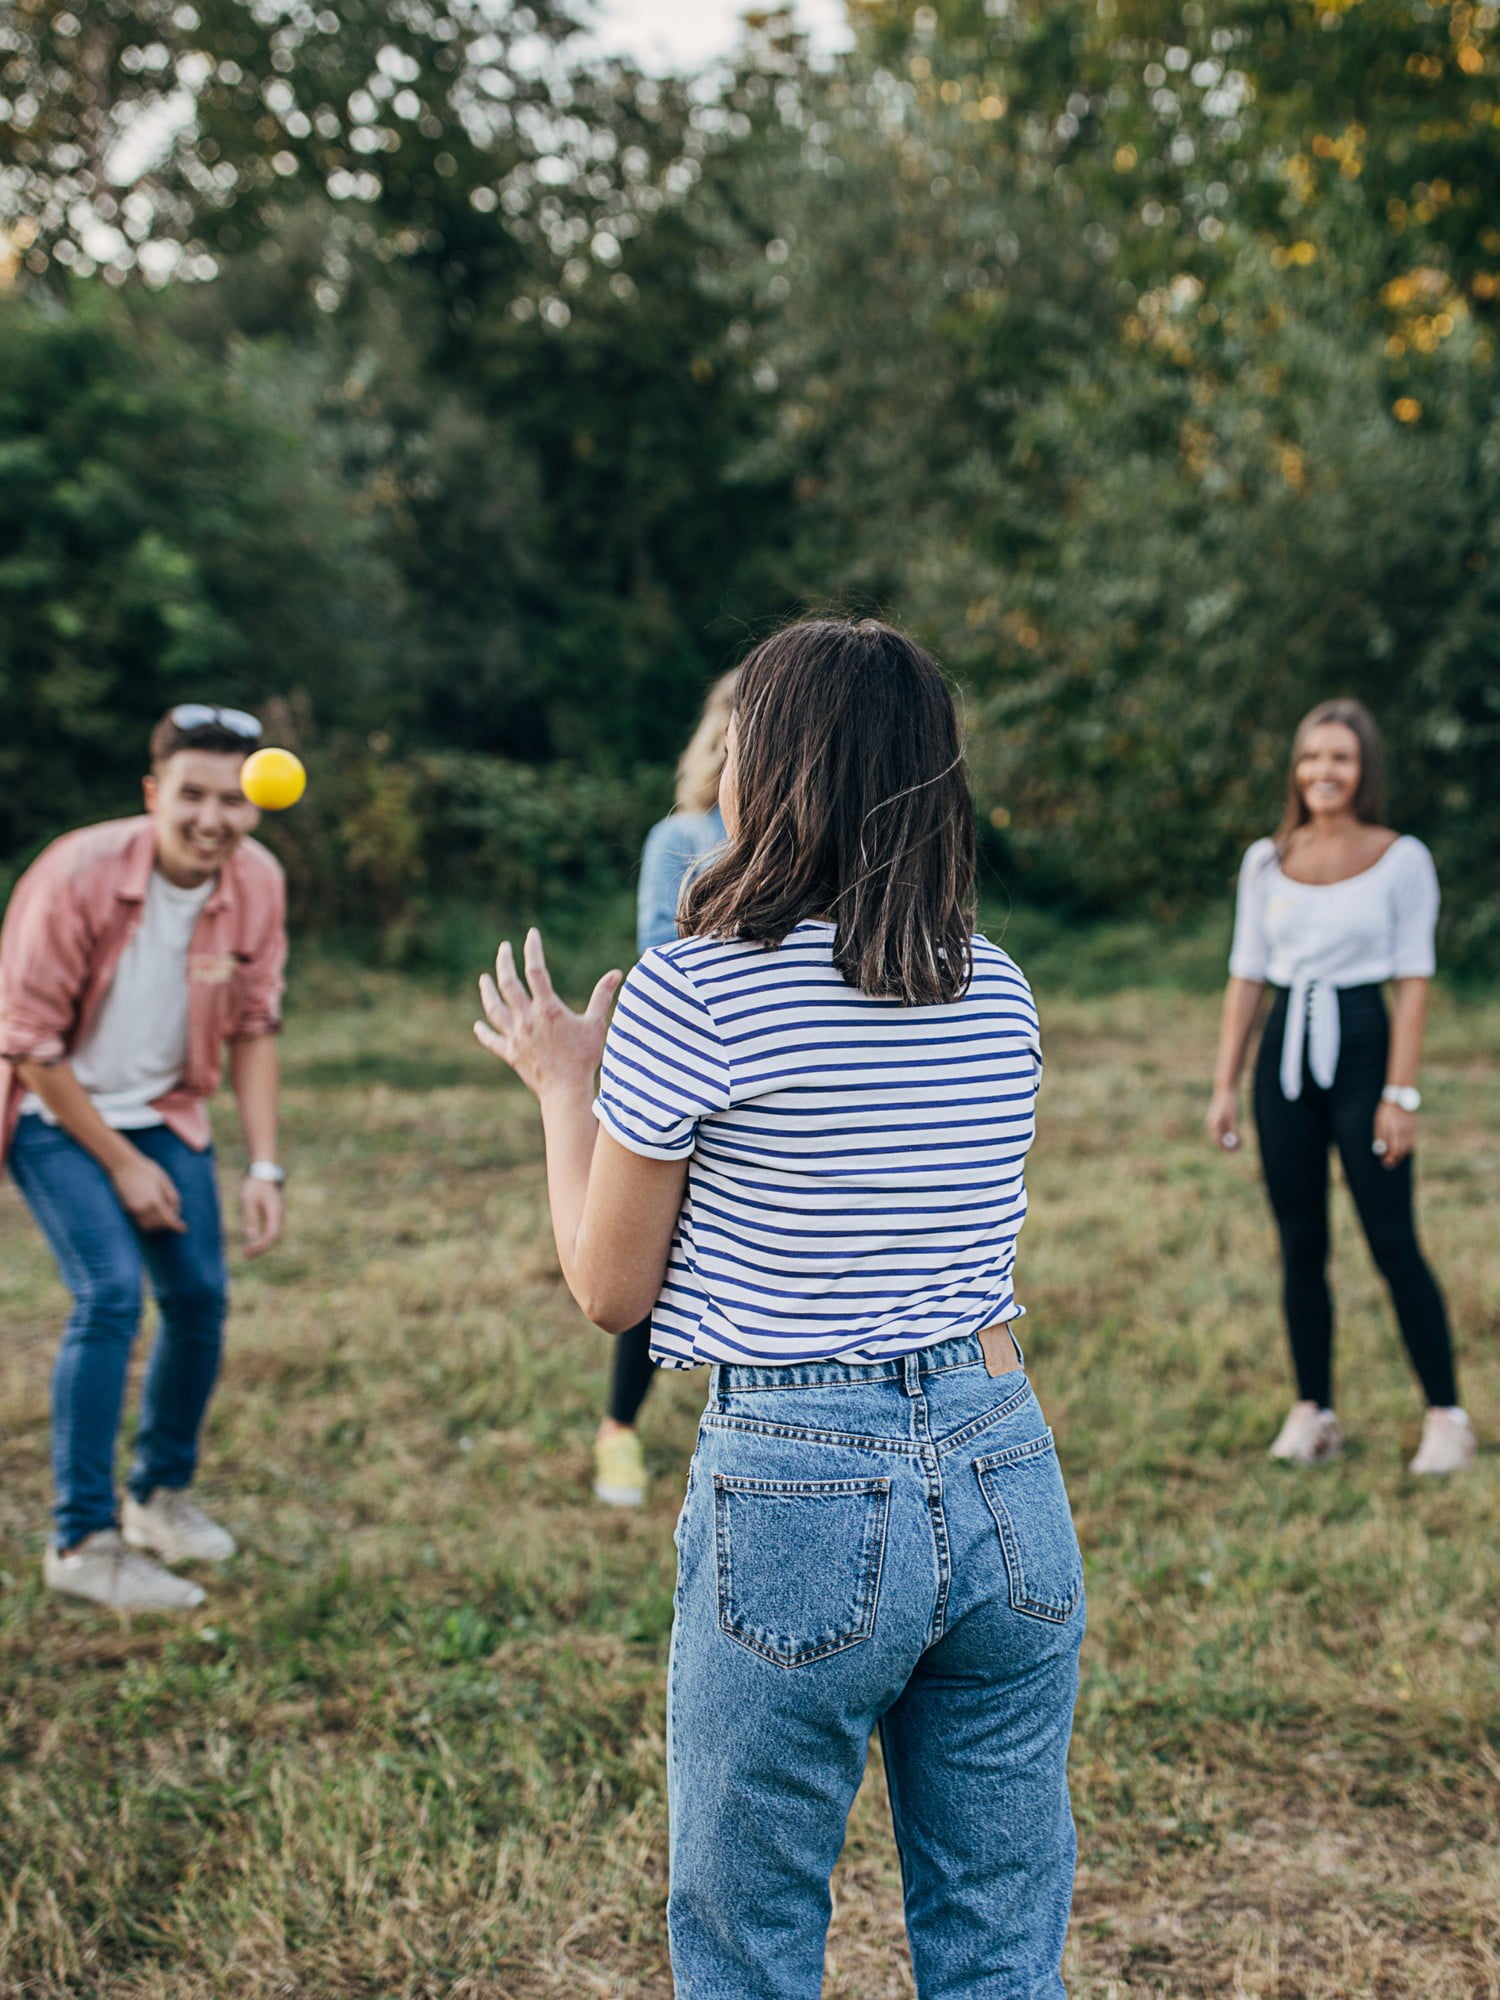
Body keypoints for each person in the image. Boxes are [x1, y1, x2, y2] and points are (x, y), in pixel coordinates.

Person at [475, 620, 1083, 1997]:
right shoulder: (997, 984)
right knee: (1000, 1942)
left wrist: (568, 1084)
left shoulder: (701, 989)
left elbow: (608, 1287)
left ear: (774, 765)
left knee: (748, 1948)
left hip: (800, 1488)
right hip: (1005, 1468)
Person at [0, 705, 289, 1611]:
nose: (214, 819)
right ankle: (81, 1542)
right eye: (193, 796)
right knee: (110, 1294)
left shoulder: (257, 882)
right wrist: (122, 1166)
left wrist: (264, 1166)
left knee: (199, 1300)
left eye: (234, 799)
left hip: (166, 1112)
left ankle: (156, 1497)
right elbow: (29, 1046)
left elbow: (254, 1027)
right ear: (153, 793)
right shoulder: (75, 874)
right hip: (54, 1110)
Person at [1207, 698, 1474, 1475]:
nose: (1325, 771)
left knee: (1391, 1238)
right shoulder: (1267, 860)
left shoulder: (1402, 858)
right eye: (1312, 757)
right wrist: (1224, 1085)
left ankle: (1445, 1416)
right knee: (1300, 1242)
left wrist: (1402, 1093)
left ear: (1365, 771)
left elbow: (1415, 982)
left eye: (1342, 758)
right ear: (1297, 769)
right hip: (1285, 1054)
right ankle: (1313, 1410)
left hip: (1363, 1046)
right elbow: (1247, 976)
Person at [594, 668, 736, 1509]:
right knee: (646, 1264)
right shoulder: (682, 837)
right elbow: (656, 950)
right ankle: (618, 1429)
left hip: (767, 1083)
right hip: (693, 1073)